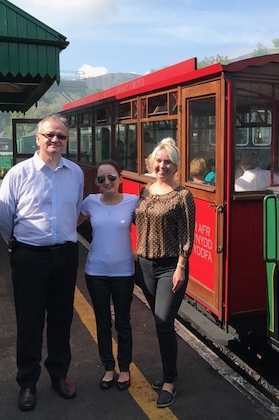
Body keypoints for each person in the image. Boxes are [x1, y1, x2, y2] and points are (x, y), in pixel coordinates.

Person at [0, 115, 84, 412]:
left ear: (66, 140)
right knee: (30, 322)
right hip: (29, 256)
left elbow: (74, 212)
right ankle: (28, 383)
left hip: (66, 256)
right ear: (37, 138)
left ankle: (58, 376)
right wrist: (18, 245)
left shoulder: (76, 173)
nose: (54, 140)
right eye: (49, 135)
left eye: (60, 136)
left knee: (61, 320)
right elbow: (2, 217)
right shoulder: (18, 174)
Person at [134, 138, 195, 408]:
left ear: (176, 165)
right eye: (158, 161)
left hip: (171, 267)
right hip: (144, 265)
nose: (162, 165)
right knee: (160, 322)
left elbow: (187, 235)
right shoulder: (145, 192)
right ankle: (169, 370)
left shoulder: (183, 196)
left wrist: (181, 267)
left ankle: (169, 380)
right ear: (151, 163)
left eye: (168, 161)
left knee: (163, 322)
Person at [78, 161, 139, 391]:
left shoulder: (133, 201)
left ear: (120, 178)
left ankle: (124, 368)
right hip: (96, 272)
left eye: (111, 177)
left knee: (123, 322)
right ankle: (107, 367)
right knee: (103, 323)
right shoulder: (90, 202)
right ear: (96, 183)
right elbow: (72, 222)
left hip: (124, 272)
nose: (107, 182)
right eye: (101, 179)